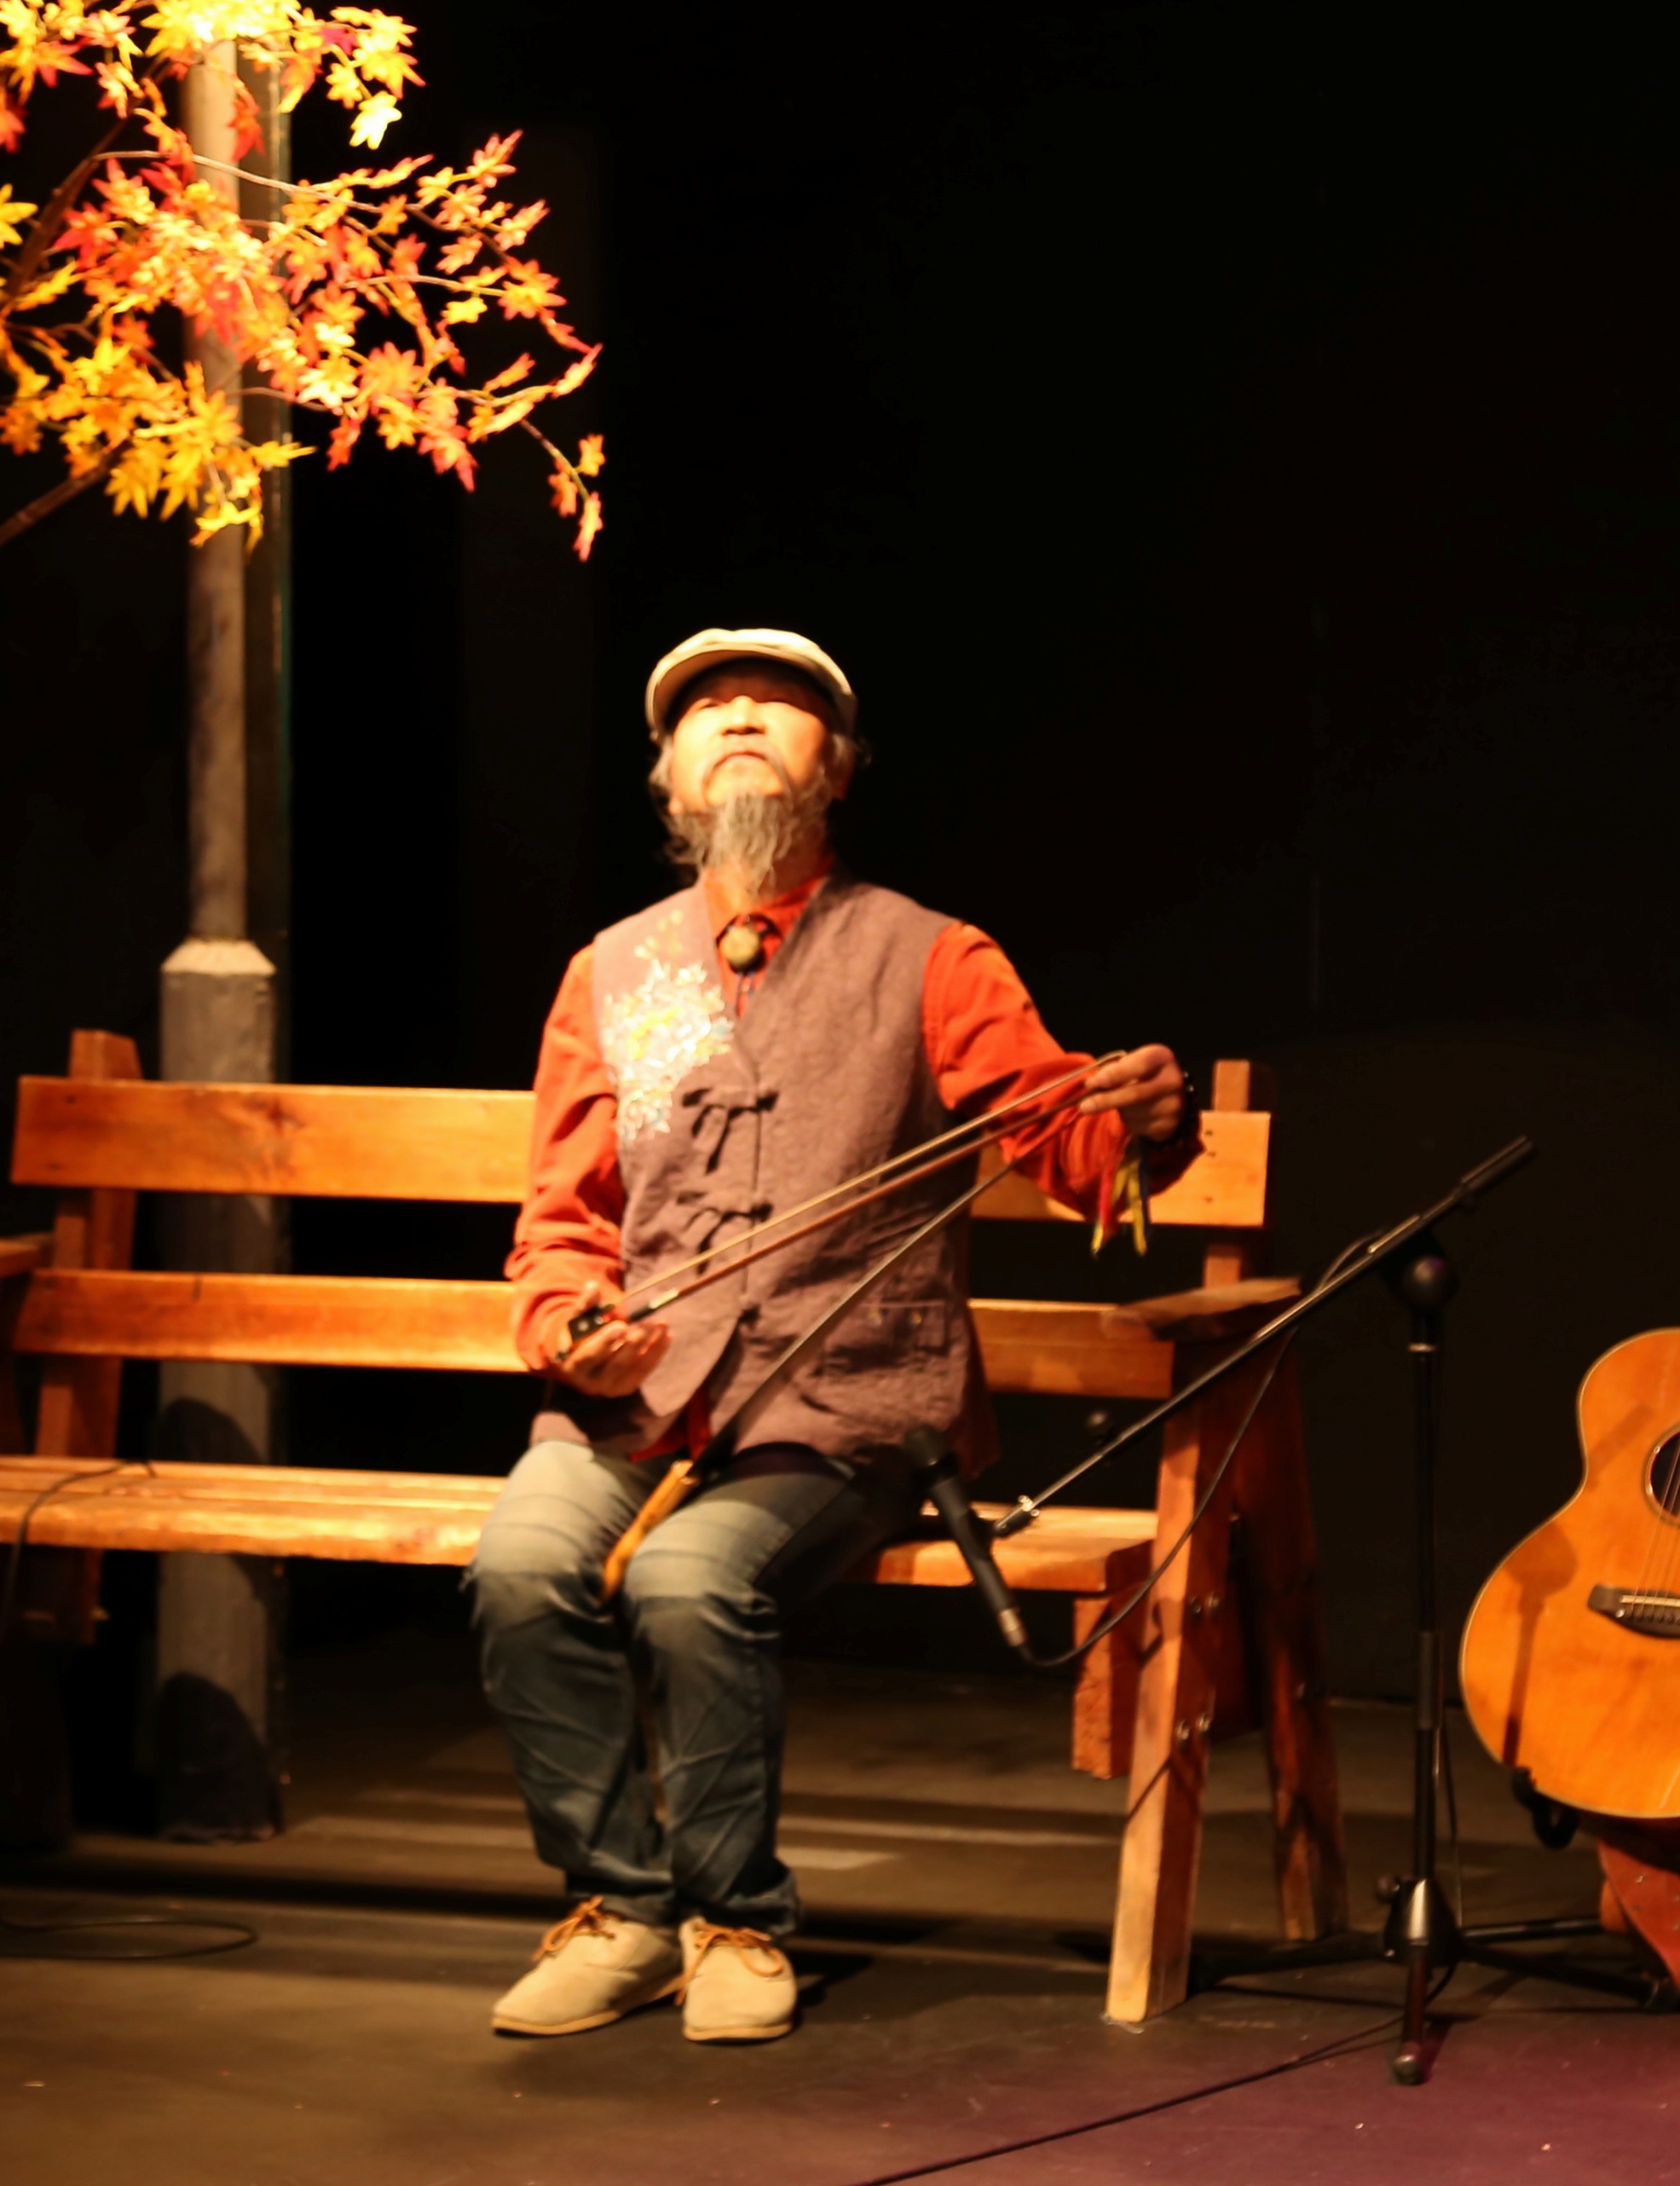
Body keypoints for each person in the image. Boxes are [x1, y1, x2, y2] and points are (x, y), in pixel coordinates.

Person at [467, 626, 1192, 2044]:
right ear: (668, 775)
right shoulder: (611, 971)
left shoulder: (932, 954)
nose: (739, 718)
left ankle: (735, 1917)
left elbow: (1059, 1131)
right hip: (642, 1396)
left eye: (777, 705)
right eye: (707, 709)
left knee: (688, 1580)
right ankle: (620, 1908)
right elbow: (565, 1215)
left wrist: (1140, 1124)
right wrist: (570, 1325)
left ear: (841, 767)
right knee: (519, 1566)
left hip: (849, 1403)